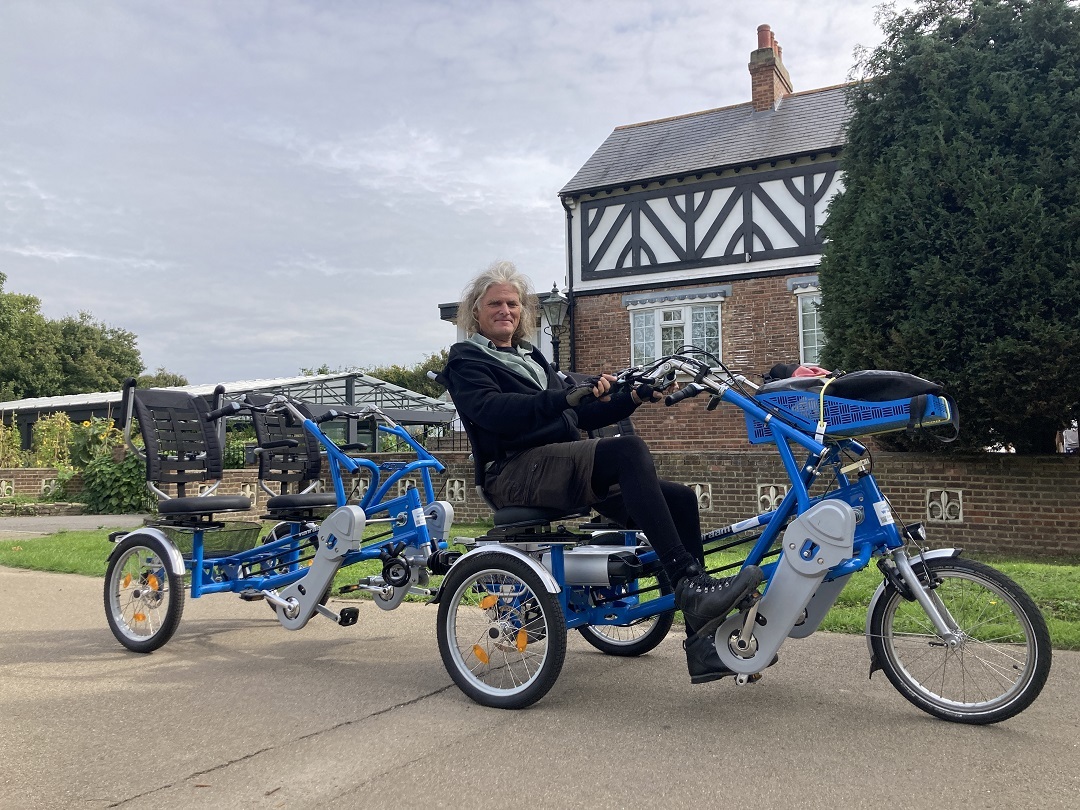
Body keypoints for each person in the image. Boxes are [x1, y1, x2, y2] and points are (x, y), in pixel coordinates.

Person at [440, 260, 764, 683]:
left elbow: (585, 409)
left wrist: (635, 395)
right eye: (495, 303)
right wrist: (564, 399)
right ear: (476, 312)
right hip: (515, 472)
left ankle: (701, 642)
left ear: (523, 313)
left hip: (561, 464)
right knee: (626, 450)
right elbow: (496, 413)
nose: (506, 310)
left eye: (513, 303)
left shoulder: (531, 358)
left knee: (680, 499)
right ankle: (687, 581)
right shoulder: (466, 360)